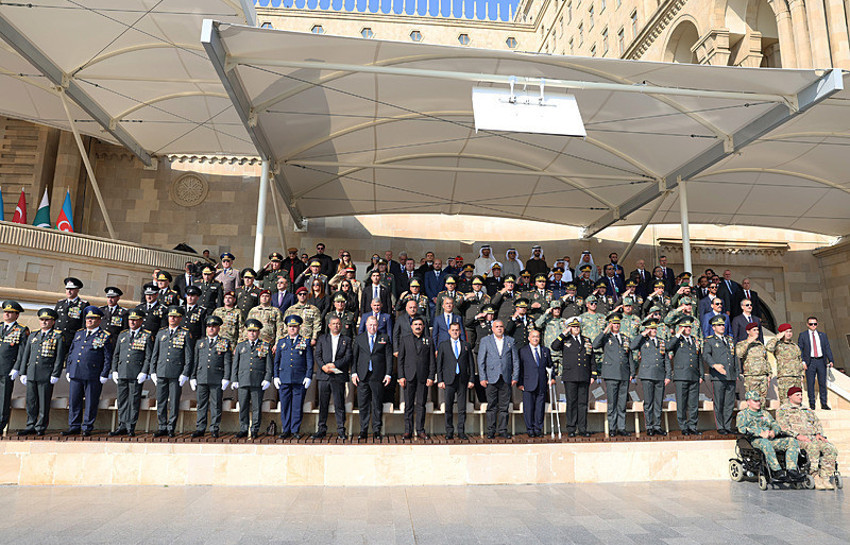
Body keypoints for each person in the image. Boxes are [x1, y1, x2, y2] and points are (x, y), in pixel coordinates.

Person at [61, 306, 112, 436]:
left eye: (93, 318)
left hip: (93, 374)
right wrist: (69, 368)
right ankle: (74, 425)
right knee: (74, 401)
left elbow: (107, 357)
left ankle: (87, 426)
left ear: (99, 320)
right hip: (76, 372)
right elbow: (71, 352)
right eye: (88, 318)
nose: (89, 321)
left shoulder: (104, 336)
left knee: (90, 402)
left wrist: (104, 373)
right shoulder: (79, 333)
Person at [144, 306, 193, 438]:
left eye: (175, 317)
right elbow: (155, 353)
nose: (172, 318)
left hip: (176, 373)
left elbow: (188, 356)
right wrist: (152, 370)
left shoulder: (185, 333)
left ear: (180, 318)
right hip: (161, 371)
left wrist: (185, 373)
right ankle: (162, 426)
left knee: (174, 401)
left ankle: (171, 426)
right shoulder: (161, 333)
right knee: (161, 400)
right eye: (171, 316)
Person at [777, 387, 839, 490]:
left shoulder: (807, 410)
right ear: (790, 396)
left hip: (813, 438)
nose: (800, 397)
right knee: (813, 447)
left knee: (830, 448)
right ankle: (815, 476)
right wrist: (797, 435)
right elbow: (783, 427)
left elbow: (817, 422)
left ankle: (825, 477)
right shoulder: (783, 410)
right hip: (797, 440)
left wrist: (819, 434)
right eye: (797, 395)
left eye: (801, 395)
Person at [12, 308, 60, 436]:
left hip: (46, 374)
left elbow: (59, 358)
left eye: (47, 320)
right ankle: (30, 425)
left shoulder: (57, 336)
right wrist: (23, 372)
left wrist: (56, 373)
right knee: (31, 401)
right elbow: (25, 355)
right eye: (42, 320)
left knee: (44, 402)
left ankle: (41, 426)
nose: (44, 322)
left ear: (53, 321)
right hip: (31, 373)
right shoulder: (33, 335)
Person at [736, 390, 801, 481]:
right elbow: (742, 429)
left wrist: (774, 431)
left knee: (792, 441)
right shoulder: (743, 414)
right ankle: (776, 470)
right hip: (754, 441)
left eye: (759, 400)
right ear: (748, 402)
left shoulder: (765, 413)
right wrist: (760, 433)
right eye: (755, 401)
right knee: (765, 442)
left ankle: (792, 470)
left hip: (770, 439)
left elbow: (775, 424)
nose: (758, 403)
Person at [109, 309, 153, 437]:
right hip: (122, 372)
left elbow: (148, 356)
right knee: (122, 400)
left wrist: (144, 371)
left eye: (135, 320)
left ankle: (130, 426)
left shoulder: (146, 335)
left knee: (133, 400)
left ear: (140, 321)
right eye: (130, 320)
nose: (132, 322)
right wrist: (115, 370)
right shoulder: (122, 335)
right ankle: (121, 425)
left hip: (136, 373)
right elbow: (116, 355)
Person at [190, 316, 232, 438]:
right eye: (209, 326)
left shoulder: (224, 342)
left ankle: (214, 428)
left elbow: (227, 361)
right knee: (201, 404)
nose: (211, 329)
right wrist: (193, 376)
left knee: (216, 404)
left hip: (216, 377)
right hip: (201, 377)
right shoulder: (200, 343)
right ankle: (200, 428)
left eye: (213, 326)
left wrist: (226, 377)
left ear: (218, 328)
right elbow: (196, 361)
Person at [352, 316, 393, 441]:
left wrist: (388, 374)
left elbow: (389, 358)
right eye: (370, 325)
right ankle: (363, 430)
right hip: (362, 376)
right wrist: (353, 373)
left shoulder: (384, 338)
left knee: (377, 404)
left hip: (377, 376)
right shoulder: (359, 339)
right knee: (363, 404)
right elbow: (355, 358)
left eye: (374, 325)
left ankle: (376, 430)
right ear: (365, 325)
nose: (372, 327)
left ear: (378, 325)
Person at [551, 317, 593, 437]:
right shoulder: (565, 340)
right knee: (572, 403)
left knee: (583, 403)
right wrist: (564, 333)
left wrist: (593, 373)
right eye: (573, 327)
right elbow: (554, 346)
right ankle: (571, 428)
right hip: (570, 376)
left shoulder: (586, 340)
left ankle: (583, 428)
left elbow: (591, 358)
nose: (576, 329)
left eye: (577, 327)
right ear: (570, 328)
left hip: (584, 375)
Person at [477, 319, 519, 439]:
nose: (499, 328)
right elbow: (481, 361)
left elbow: (515, 360)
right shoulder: (486, 341)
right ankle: (490, 430)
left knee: (504, 407)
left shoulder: (510, 341)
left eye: (501, 326)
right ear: (492, 328)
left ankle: (503, 430)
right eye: (497, 326)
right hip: (491, 378)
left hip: (506, 378)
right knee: (491, 406)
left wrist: (515, 376)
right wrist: (482, 377)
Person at [274, 315, 313, 440]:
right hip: (284, 378)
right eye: (290, 327)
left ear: (299, 328)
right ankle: (286, 429)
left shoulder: (305, 341)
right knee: (285, 405)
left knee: (297, 405)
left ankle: (295, 429)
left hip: (299, 378)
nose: (292, 329)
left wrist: (308, 376)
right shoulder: (281, 342)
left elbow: (309, 361)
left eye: (295, 327)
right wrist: (276, 376)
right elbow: (277, 361)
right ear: (287, 328)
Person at [313, 315, 352, 440]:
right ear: (329, 325)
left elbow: (348, 357)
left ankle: (341, 430)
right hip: (324, 375)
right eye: (334, 324)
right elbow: (317, 355)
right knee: (323, 404)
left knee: (339, 404)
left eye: (338, 324)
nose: (336, 326)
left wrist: (334, 365)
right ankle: (321, 429)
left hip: (338, 375)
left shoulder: (347, 339)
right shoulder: (322, 339)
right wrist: (324, 366)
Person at [231, 319, 272, 438]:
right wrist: (234, 379)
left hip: (258, 381)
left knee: (256, 407)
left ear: (259, 332)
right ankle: (243, 428)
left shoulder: (265, 346)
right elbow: (235, 364)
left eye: (255, 331)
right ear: (246, 332)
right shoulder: (240, 346)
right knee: (243, 406)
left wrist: (267, 378)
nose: (252, 333)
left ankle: (254, 429)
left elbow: (269, 365)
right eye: (250, 331)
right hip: (243, 380)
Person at [630, 317, 670, 436]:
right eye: (651, 328)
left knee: (658, 402)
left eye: (654, 328)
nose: (653, 330)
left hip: (659, 375)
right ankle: (649, 426)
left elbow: (666, 359)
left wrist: (668, 375)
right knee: (648, 402)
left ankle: (657, 425)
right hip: (647, 375)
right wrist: (643, 334)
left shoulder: (662, 341)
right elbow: (632, 346)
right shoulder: (643, 340)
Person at [397, 316, 436, 440]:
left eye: (420, 324)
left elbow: (431, 361)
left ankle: (420, 430)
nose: (418, 326)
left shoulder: (429, 340)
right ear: (411, 326)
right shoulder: (405, 339)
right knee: (408, 405)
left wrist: (431, 376)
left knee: (421, 404)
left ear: (423, 326)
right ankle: (408, 430)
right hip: (408, 377)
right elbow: (400, 360)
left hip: (423, 378)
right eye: (416, 324)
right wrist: (401, 376)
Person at [593, 313, 631, 436]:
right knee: (612, 403)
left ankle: (622, 427)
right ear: (610, 324)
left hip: (624, 373)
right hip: (611, 374)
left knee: (622, 403)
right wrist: (605, 331)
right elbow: (595, 345)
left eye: (618, 323)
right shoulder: (606, 337)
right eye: (614, 323)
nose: (616, 325)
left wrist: (631, 372)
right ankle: (612, 428)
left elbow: (629, 355)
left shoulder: (625, 338)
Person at [437, 321, 475, 440]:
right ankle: (449, 431)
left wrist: (471, 379)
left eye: (457, 330)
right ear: (449, 331)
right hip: (448, 379)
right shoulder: (443, 345)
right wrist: (440, 380)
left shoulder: (466, 345)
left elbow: (471, 364)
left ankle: (461, 431)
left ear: (460, 331)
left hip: (462, 380)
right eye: (453, 330)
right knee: (448, 407)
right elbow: (440, 364)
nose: (455, 332)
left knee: (462, 407)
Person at [702, 315, 739, 435]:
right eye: (719, 325)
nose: (722, 327)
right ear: (713, 327)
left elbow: (734, 357)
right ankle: (720, 426)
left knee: (729, 403)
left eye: (723, 324)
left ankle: (728, 426)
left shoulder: (730, 340)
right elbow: (706, 355)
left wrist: (737, 372)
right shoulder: (710, 340)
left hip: (730, 375)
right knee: (719, 402)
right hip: (718, 376)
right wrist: (714, 365)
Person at [668, 316, 703, 435]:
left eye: (689, 327)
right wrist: (678, 333)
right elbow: (668, 347)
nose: (688, 329)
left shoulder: (695, 340)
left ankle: (693, 426)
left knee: (693, 403)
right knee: (681, 403)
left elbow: (699, 358)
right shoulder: (677, 339)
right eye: (685, 327)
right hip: (681, 375)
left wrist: (701, 375)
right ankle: (683, 427)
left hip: (694, 375)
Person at [517, 329, 553, 438]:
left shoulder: (545, 350)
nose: (535, 338)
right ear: (529, 338)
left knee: (540, 407)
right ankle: (530, 429)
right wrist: (519, 383)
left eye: (537, 336)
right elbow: (519, 368)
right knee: (529, 408)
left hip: (542, 383)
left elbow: (550, 365)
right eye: (533, 336)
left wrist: (552, 378)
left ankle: (538, 428)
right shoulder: (523, 351)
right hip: (528, 383)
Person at [1, 301, 29, 433]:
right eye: (5, 311)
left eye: (10, 312)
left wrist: (17, 368)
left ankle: (1, 424)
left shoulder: (22, 330)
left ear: (17, 315)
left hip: (7, 368)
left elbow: (22, 352)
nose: (6, 314)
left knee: (3, 398)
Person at [798, 316, 834, 410]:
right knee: (810, 383)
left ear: (817, 324)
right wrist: (803, 361)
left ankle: (824, 403)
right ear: (807, 324)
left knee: (822, 383)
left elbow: (827, 348)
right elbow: (800, 349)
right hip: (810, 362)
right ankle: (812, 403)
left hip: (821, 361)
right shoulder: (803, 335)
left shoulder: (822, 335)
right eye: (811, 324)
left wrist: (830, 360)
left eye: (815, 324)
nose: (813, 326)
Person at [767, 323, 805, 405]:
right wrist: (776, 338)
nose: (789, 333)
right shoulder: (778, 345)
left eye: (790, 331)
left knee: (797, 402)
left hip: (796, 378)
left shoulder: (795, 346)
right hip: (785, 378)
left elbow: (799, 361)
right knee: (785, 402)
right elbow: (769, 347)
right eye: (786, 332)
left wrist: (801, 375)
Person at [737, 322, 771, 402]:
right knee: (752, 400)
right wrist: (749, 341)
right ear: (748, 331)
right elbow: (739, 354)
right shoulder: (742, 344)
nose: (757, 332)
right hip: (751, 377)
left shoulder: (760, 345)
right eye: (754, 330)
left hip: (763, 377)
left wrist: (769, 375)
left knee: (762, 402)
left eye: (757, 330)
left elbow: (766, 360)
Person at [54, 276, 89, 347]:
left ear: (77, 290)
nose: (69, 291)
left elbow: (84, 324)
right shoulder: (60, 303)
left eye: (72, 289)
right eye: (67, 289)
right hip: (58, 337)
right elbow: (54, 319)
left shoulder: (83, 305)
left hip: (72, 338)